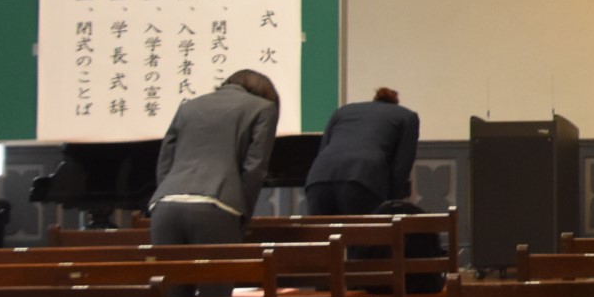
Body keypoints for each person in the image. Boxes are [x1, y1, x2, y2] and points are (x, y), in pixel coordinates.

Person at [149, 70, 279, 245]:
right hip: (217, 205)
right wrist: (242, 215)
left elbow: (165, 162)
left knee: (168, 264)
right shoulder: (264, 108)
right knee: (219, 265)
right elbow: (254, 168)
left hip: (165, 205)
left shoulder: (188, 106)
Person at [302, 86, 421, 217]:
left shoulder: (342, 111)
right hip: (363, 179)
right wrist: (389, 200)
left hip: (319, 178)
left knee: (320, 230)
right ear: (395, 103)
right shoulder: (408, 116)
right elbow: (402, 165)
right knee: (361, 230)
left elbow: (323, 148)